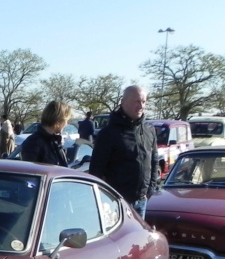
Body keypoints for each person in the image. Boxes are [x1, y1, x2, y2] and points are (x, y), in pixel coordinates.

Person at [88, 85, 159, 216]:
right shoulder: (108, 134)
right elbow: (96, 170)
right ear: (124, 102)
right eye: (136, 101)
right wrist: (103, 199)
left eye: (143, 102)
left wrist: (150, 190)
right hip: (117, 202)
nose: (141, 106)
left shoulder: (149, 130)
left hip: (142, 200)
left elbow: (154, 162)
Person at [20, 101, 71, 166]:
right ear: (58, 121)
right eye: (66, 120)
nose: (66, 124)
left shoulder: (54, 142)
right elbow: (29, 171)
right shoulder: (33, 142)